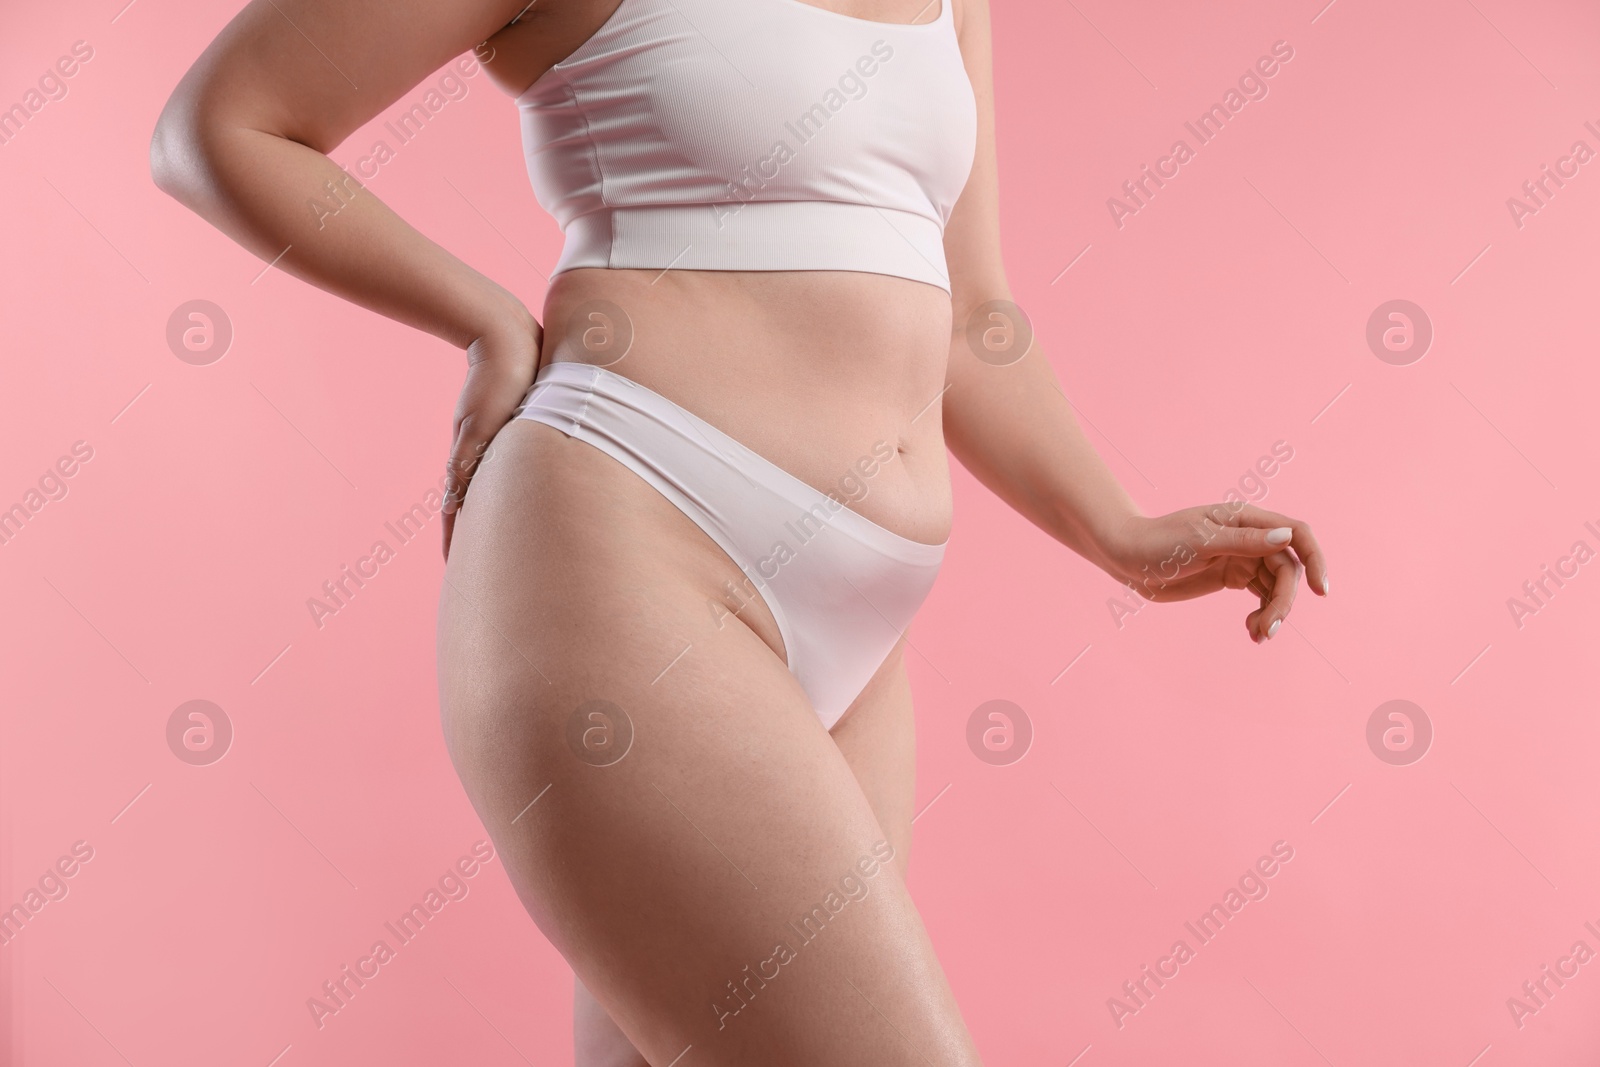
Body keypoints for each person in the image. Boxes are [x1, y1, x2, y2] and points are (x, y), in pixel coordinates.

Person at [150, 0, 1328, 1062]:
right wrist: (486, 322)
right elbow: (221, 125)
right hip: (634, 543)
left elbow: (972, 312)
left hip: (860, 633)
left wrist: (1119, 531)